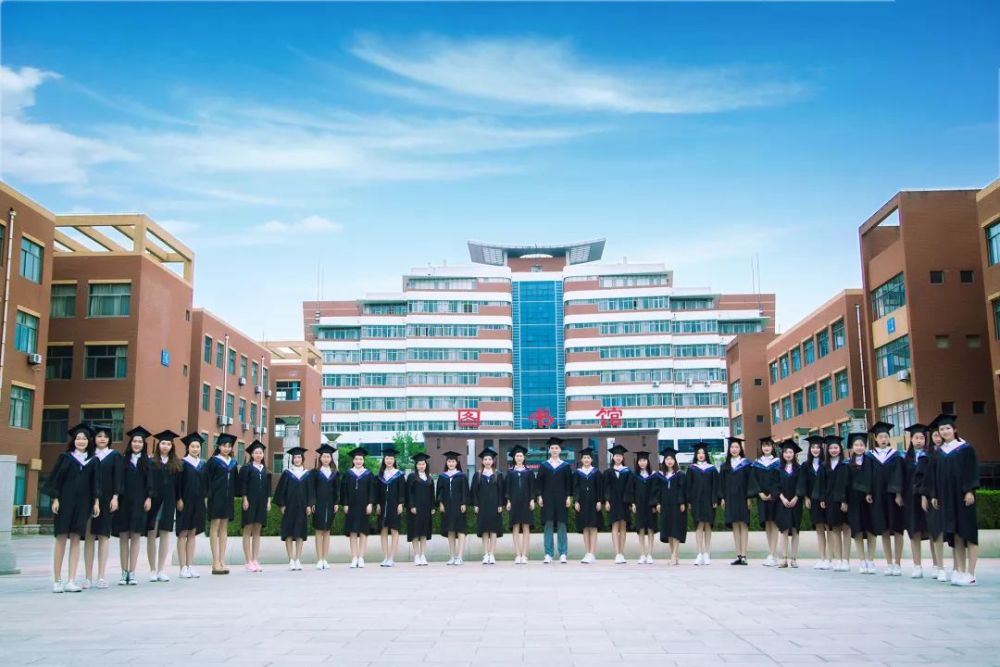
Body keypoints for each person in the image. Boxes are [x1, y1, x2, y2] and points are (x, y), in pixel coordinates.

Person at [46, 423, 100, 593]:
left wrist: (96, 502)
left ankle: (71, 580)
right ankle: (57, 580)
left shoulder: (93, 461)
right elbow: (56, 480)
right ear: (73, 441)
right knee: (61, 538)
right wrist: (55, 499)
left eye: (84, 438)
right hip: (65, 502)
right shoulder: (65, 458)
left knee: (76, 539)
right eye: (78, 438)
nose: (81, 441)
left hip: (83, 504)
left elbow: (96, 484)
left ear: (89, 441)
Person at [932, 414, 979, 586]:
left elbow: (972, 471)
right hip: (947, 498)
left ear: (954, 429)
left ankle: (971, 574)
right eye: (942, 429)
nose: (945, 431)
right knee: (956, 534)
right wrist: (935, 495)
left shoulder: (965, 448)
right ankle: (960, 571)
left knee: (969, 533)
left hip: (963, 496)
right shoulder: (939, 452)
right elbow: (934, 476)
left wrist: (970, 491)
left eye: (948, 428)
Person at [114, 427, 155, 586]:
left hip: (139, 503)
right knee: (124, 537)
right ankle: (123, 572)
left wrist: (149, 497)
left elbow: (150, 482)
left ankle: (132, 571)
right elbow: (118, 480)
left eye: (140, 442)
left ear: (143, 444)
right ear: (130, 443)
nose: (137, 444)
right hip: (124, 502)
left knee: (136, 536)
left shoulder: (147, 462)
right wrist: (116, 497)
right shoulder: (123, 460)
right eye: (134, 441)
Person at [83, 424, 121, 589]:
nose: (102, 439)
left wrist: (115, 497)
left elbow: (118, 478)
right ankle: (88, 577)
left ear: (109, 439)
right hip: (87, 499)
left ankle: (101, 576)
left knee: (104, 536)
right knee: (89, 537)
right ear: (94, 438)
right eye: (99, 436)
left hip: (107, 500)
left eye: (105, 436)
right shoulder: (87, 455)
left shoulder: (114, 455)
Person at [868, 421, 904, 576]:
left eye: (885, 436)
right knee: (884, 530)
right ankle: (889, 563)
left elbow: (899, 476)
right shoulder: (870, 456)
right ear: (875, 439)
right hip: (878, 497)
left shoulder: (896, 455)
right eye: (880, 437)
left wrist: (898, 494)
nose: (883, 439)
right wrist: (868, 492)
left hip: (893, 497)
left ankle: (898, 563)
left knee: (897, 529)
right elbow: (868, 476)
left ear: (889, 438)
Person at [146, 430, 181, 582]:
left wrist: (179, 499)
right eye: (163, 443)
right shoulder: (151, 462)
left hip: (169, 501)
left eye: (168, 444)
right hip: (154, 501)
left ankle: (161, 569)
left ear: (172, 446)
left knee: (165, 533)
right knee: (152, 534)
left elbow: (178, 485)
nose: (165, 446)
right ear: (158, 445)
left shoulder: (176, 464)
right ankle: (152, 569)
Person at [274, 447, 313, 570]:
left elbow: (310, 491)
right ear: (292, 459)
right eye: (295, 457)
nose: (297, 459)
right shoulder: (287, 474)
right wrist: (282, 505)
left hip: (302, 507)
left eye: (299, 457)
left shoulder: (307, 474)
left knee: (300, 533)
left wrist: (309, 505)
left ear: (302, 459)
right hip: (289, 507)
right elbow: (281, 491)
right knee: (289, 533)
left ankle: (298, 559)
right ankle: (291, 559)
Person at [176, 433, 208, 579]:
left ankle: (190, 565)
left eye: (198, 447)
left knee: (192, 533)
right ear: (188, 448)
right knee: (183, 533)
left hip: (198, 502)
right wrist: (179, 499)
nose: (195, 449)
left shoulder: (202, 464)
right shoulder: (182, 464)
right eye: (193, 446)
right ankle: (182, 567)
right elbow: (178, 484)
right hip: (185, 502)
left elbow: (205, 485)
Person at [536, 437, 573, 564]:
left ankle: (563, 553)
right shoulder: (544, 465)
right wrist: (539, 496)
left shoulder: (565, 466)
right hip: (547, 499)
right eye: (552, 448)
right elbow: (539, 483)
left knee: (562, 525)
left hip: (561, 498)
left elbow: (569, 483)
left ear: (560, 450)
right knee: (548, 525)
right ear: (549, 450)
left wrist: (568, 497)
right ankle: (548, 554)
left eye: (556, 448)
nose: (554, 450)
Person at [206, 433, 238, 575]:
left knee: (224, 528)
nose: (226, 448)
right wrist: (207, 497)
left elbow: (235, 482)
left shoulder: (233, 463)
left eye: (229, 446)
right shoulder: (213, 461)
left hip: (228, 498)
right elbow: (207, 480)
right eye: (224, 446)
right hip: (215, 497)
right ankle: (215, 562)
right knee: (215, 526)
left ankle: (222, 560)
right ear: (219, 446)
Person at [817, 435, 849, 572]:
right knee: (835, 530)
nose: (833, 450)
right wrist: (822, 499)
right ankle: (838, 559)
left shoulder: (846, 465)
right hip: (830, 501)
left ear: (840, 449)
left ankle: (846, 560)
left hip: (844, 501)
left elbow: (848, 484)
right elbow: (821, 484)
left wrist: (845, 500)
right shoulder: (824, 466)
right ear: (827, 450)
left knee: (846, 530)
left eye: (836, 447)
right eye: (831, 448)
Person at [902, 423, 931, 579]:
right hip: (910, 499)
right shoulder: (905, 458)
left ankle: (936, 566)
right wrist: (899, 495)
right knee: (914, 532)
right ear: (911, 439)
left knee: (932, 531)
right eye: (916, 438)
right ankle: (917, 566)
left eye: (922, 438)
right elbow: (900, 479)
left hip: (927, 497)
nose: (919, 441)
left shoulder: (930, 456)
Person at [719, 436, 753, 566]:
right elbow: (722, 484)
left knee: (743, 525)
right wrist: (722, 498)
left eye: (736, 447)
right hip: (730, 498)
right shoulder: (725, 466)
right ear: (729, 449)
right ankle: (738, 555)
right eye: (732, 447)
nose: (734, 449)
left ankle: (744, 555)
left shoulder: (746, 464)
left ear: (740, 449)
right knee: (734, 526)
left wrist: (749, 497)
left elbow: (750, 482)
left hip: (743, 498)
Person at [238, 440, 271, 573]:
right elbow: (243, 485)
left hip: (261, 502)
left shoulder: (265, 470)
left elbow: (268, 488)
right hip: (250, 502)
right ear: (252, 454)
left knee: (257, 529)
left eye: (260, 453)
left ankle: (255, 559)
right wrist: (245, 499)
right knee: (248, 529)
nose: (258, 455)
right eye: (256, 452)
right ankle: (248, 561)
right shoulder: (247, 468)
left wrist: (268, 501)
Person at [846, 432, 876, 574]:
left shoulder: (871, 461)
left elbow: (875, 479)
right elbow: (845, 484)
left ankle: (870, 560)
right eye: (856, 445)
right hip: (853, 501)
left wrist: (870, 492)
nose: (859, 447)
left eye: (861, 445)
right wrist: (844, 501)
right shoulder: (848, 464)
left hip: (869, 500)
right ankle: (862, 560)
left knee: (871, 530)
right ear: (852, 447)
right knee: (857, 530)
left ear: (865, 446)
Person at [798, 435, 829, 570]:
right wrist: (806, 498)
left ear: (822, 449)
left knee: (829, 529)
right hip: (813, 500)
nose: (815, 449)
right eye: (813, 447)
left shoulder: (826, 464)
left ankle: (830, 558)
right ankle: (822, 558)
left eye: (818, 447)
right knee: (819, 529)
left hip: (826, 501)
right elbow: (803, 483)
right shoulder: (806, 465)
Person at [686, 442, 719, 566]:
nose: (701, 455)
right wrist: (689, 501)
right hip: (696, 501)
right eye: (699, 453)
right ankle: (699, 553)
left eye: (703, 453)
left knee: (708, 525)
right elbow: (688, 486)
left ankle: (706, 553)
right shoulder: (692, 469)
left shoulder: (712, 469)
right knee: (699, 525)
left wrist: (715, 500)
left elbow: (715, 486)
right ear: (696, 455)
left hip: (709, 501)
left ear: (706, 455)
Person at [342, 447, 375, 568]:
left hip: (364, 506)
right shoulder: (348, 474)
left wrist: (370, 503)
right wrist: (345, 504)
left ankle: (361, 557)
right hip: (351, 506)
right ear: (353, 460)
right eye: (356, 459)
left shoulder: (368, 474)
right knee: (353, 531)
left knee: (363, 531)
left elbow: (372, 490)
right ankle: (354, 557)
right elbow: (344, 491)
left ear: (363, 460)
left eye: (360, 459)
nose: (358, 461)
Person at [751, 437, 781, 567]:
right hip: (762, 498)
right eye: (764, 446)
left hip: (774, 498)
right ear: (761, 448)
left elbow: (779, 480)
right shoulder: (757, 463)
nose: (766, 448)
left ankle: (773, 554)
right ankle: (771, 553)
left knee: (774, 524)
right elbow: (753, 480)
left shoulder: (778, 462)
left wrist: (773, 494)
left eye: (769, 445)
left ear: (772, 447)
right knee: (767, 524)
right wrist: (760, 493)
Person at [471, 448, 505, 565]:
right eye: (485, 459)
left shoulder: (498, 474)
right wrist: (475, 504)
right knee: (484, 530)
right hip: (482, 506)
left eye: (490, 459)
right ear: (482, 461)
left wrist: (500, 504)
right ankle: (486, 554)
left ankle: (492, 554)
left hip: (495, 506)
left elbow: (501, 491)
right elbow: (474, 491)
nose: (487, 461)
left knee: (493, 530)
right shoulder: (478, 475)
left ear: (493, 461)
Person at [655, 447, 687, 566]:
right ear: (664, 461)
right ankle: (674, 555)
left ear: (675, 461)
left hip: (676, 505)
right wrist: (658, 503)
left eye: (671, 459)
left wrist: (682, 502)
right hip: (665, 505)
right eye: (667, 459)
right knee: (668, 530)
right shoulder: (660, 476)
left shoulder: (680, 475)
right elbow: (657, 491)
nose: (669, 461)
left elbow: (683, 490)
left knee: (676, 530)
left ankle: (674, 555)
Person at [375, 447, 406, 567]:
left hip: (394, 505)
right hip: (382, 505)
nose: (389, 460)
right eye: (387, 458)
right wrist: (378, 504)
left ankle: (392, 558)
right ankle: (385, 557)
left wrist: (400, 504)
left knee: (394, 530)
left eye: (391, 458)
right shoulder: (380, 475)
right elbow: (377, 492)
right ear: (384, 460)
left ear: (394, 460)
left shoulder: (399, 474)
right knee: (383, 530)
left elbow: (402, 491)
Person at [437, 451, 469, 566]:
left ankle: (459, 557)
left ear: (457, 463)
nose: (451, 463)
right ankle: (451, 556)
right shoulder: (442, 476)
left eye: (453, 461)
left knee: (460, 530)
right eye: (449, 461)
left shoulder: (462, 476)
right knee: (450, 530)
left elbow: (465, 490)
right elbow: (439, 491)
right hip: (447, 506)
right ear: (446, 462)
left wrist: (464, 503)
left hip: (459, 506)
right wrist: (441, 503)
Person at [604, 444, 634, 564]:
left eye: (620, 456)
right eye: (616, 456)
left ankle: (621, 553)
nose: (618, 458)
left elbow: (630, 488)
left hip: (624, 502)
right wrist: (607, 500)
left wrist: (630, 502)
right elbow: (606, 488)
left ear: (622, 457)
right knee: (615, 526)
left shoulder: (628, 472)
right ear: (613, 457)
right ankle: (617, 554)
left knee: (623, 527)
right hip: (613, 502)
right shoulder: (608, 472)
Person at [572, 447, 603, 564]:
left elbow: (600, 488)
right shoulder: (577, 473)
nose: (586, 459)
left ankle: (592, 553)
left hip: (594, 502)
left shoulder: (596, 472)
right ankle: (587, 552)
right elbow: (575, 488)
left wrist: (599, 501)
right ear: (581, 460)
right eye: (584, 457)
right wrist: (576, 501)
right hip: (582, 502)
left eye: (588, 457)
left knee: (593, 526)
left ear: (592, 459)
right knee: (585, 527)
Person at [775, 440, 803, 568]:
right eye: (786, 452)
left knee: (795, 530)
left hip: (796, 503)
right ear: (782, 454)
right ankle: (784, 558)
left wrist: (796, 497)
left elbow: (801, 485)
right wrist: (782, 498)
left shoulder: (799, 469)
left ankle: (794, 559)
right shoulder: (778, 469)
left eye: (790, 452)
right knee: (783, 530)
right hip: (782, 503)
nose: (788, 454)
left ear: (794, 454)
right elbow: (775, 486)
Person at [925, 418, 947, 581]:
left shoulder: (953, 452)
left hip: (950, 496)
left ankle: (957, 568)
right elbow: (925, 478)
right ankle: (938, 566)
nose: (938, 438)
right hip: (933, 498)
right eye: (935, 436)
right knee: (935, 532)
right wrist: (927, 496)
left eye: (939, 435)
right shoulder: (928, 455)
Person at [505, 445, 535, 564]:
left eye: (521, 456)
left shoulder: (529, 472)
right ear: (514, 458)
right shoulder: (510, 472)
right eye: (517, 456)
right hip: (514, 502)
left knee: (526, 527)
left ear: (524, 457)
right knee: (515, 527)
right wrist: (508, 501)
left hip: (526, 502)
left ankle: (525, 555)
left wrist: (532, 500)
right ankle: (518, 554)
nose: (519, 458)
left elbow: (532, 488)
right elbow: (507, 489)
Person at [311, 443, 339, 570]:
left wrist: (336, 502)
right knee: (318, 531)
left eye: (328, 457)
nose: (326, 459)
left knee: (327, 531)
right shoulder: (315, 473)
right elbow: (312, 489)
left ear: (331, 458)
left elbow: (337, 490)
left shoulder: (335, 473)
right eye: (324, 456)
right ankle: (319, 559)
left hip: (330, 504)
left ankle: (325, 559)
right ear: (320, 458)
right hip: (318, 504)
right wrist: (312, 502)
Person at [406, 453, 434, 565]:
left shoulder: (429, 478)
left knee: (424, 532)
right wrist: (412, 506)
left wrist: (432, 507)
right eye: (419, 464)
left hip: (426, 509)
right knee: (415, 532)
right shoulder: (412, 477)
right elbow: (409, 492)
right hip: (415, 509)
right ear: (416, 465)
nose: (421, 466)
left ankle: (423, 555)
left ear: (426, 465)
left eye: (423, 464)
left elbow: (432, 494)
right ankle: (416, 555)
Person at [632, 451, 658, 564]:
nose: (642, 462)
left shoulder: (653, 475)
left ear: (648, 462)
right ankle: (642, 554)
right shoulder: (634, 476)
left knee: (651, 529)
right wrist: (633, 503)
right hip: (639, 505)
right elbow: (632, 491)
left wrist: (654, 504)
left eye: (644, 460)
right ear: (637, 462)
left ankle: (650, 554)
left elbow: (656, 491)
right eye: (640, 460)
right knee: (641, 529)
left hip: (650, 506)